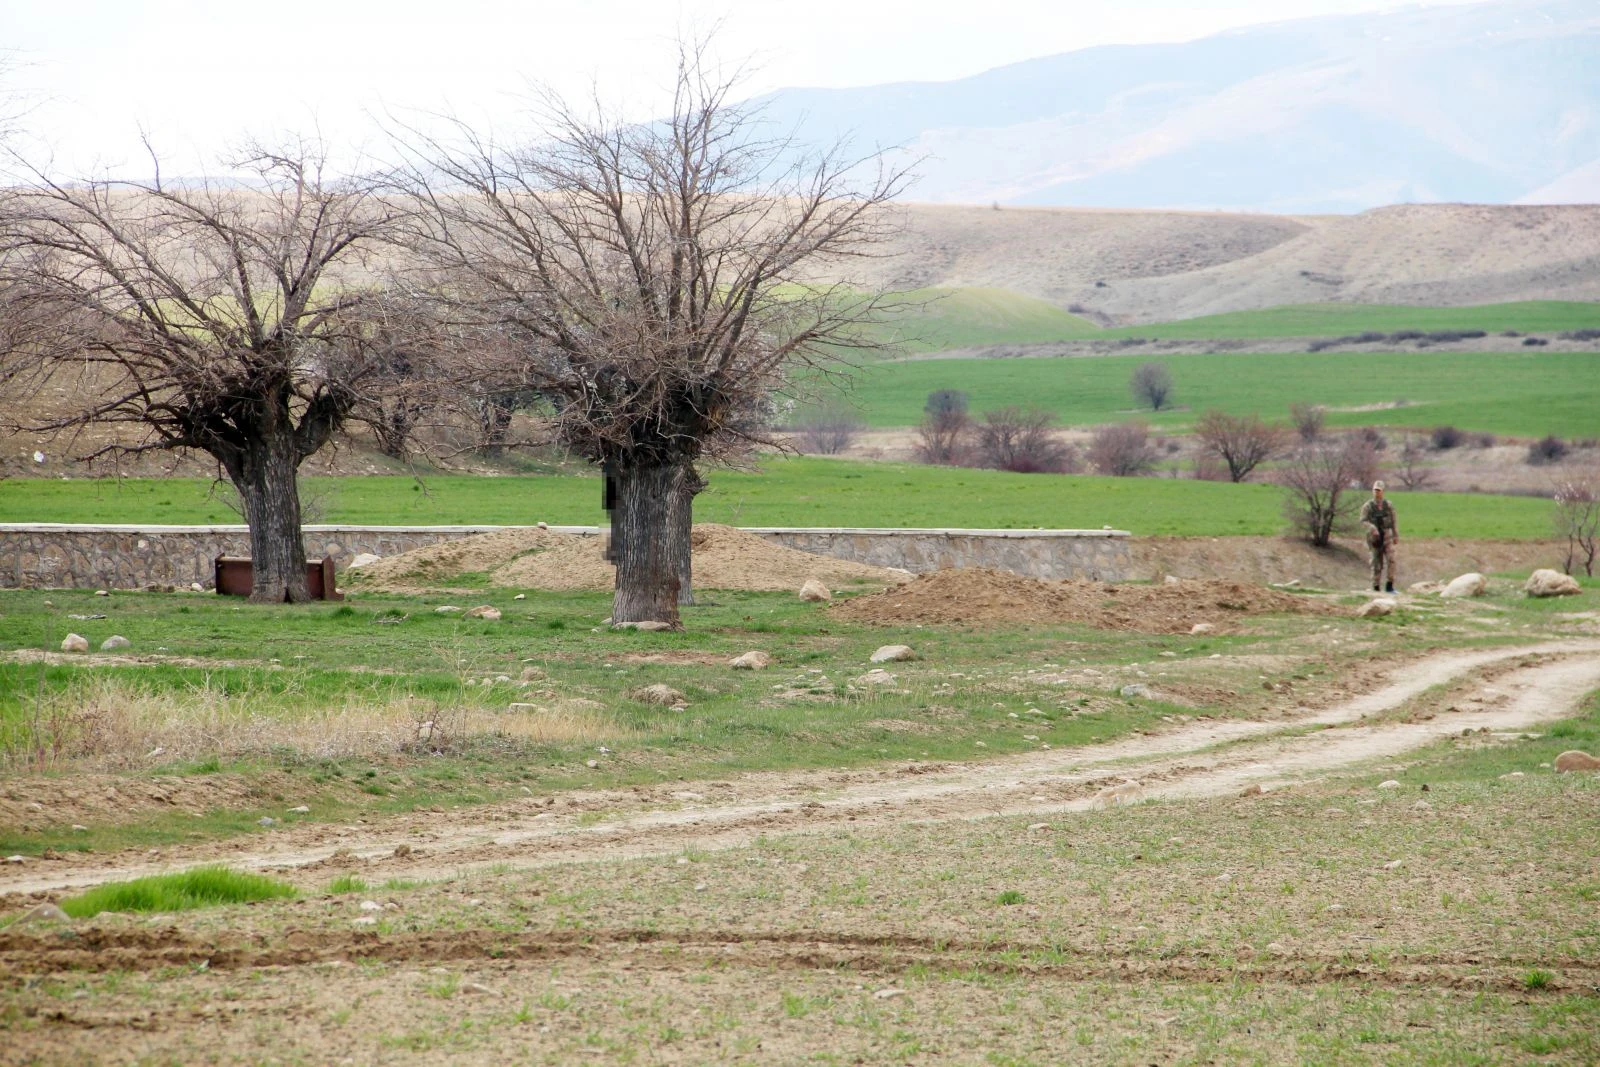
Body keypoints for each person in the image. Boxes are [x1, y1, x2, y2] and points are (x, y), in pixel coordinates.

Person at [1359, 480, 1399, 593]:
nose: (1377, 493)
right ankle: (1375, 586)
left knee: (1391, 560)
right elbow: (1362, 521)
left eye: (1379, 490)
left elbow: (1394, 521)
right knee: (1376, 562)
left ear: (1383, 491)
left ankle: (1390, 585)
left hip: (1387, 535)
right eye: (1375, 490)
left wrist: (1395, 534)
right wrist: (1372, 528)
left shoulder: (1388, 505)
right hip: (1374, 538)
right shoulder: (1368, 506)